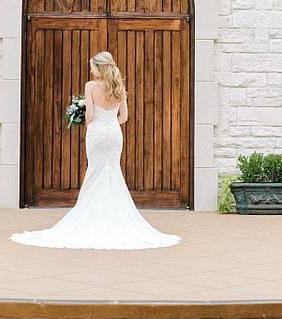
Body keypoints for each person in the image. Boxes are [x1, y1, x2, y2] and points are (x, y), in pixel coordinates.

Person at [10, 51, 180, 250]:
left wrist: (85, 118)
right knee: (113, 171)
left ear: (99, 68)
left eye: (92, 66)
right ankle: (115, 218)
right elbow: (124, 116)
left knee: (95, 172)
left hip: (97, 134)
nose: (90, 70)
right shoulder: (119, 86)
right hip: (114, 134)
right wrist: (110, 122)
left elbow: (89, 116)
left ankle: (90, 215)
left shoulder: (90, 86)